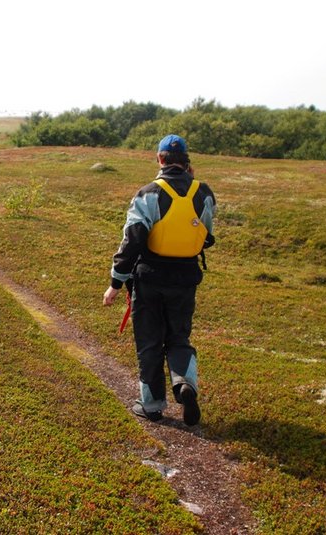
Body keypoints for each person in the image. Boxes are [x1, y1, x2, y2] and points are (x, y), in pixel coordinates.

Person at [103, 134, 216, 425]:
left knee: (150, 342)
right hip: (186, 278)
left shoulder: (148, 194)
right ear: (186, 161)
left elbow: (133, 241)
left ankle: (151, 405)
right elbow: (205, 235)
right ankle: (184, 383)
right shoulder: (204, 193)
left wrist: (116, 283)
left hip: (150, 279)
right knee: (179, 336)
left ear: (160, 159)